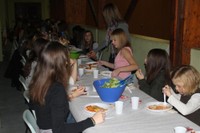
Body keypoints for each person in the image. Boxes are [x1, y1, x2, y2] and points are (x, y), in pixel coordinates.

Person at [28, 41, 105, 133]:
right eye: (66, 60)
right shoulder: (57, 88)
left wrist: (68, 97)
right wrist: (92, 120)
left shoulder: (39, 80)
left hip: (42, 128)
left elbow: (37, 105)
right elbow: (59, 130)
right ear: (60, 63)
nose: (68, 63)